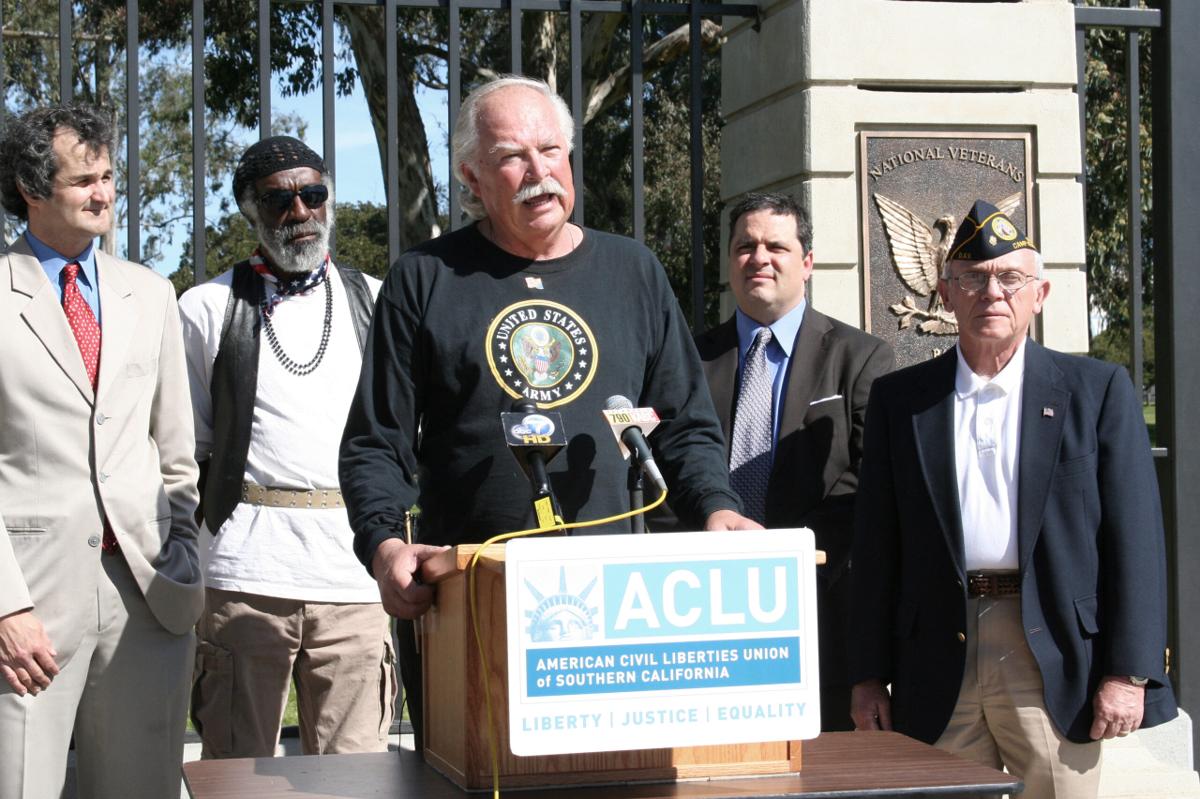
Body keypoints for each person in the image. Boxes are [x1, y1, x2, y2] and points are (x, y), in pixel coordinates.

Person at [339, 75, 758, 747]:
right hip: (472, 604)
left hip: (616, 612)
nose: (538, 172)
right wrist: (384, 543)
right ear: (473, 176)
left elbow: (684, 423)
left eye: (550, 150)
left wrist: (715, 504)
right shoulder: (424, 279)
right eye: (513, 156)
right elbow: (376, 441)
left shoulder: (634, 271)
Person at [848, 200, 1177, 798]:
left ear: (1040, 293)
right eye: (972, 279)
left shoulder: (1095, 392)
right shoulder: (902, 401)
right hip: (934, 656)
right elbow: (876, 547)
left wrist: (1130, 672)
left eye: (1009, 278)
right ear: (946, 294)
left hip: (1049, 650)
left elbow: (1135, 540)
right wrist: (867, 675)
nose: (991, 292)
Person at [0, 103, 203, 798]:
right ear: (31, 189)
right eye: (84, 179)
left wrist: (182, 558)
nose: (105, 193)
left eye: (110, 176)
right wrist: (4, 607)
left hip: (148, 599)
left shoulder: (150, 293)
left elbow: (177, 452)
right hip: (29, 608)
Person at [179, 136, 394, 758]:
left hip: (356, 580)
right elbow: (186, 447)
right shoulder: (206, 307)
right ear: (250, 210)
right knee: (238, 777)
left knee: (356, 781)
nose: (299, 211)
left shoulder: (377, 301)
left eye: (313, 194)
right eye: (278, 200)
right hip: (243, 579)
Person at [694, 193, 892, 731]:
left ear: (806, 262)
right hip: (708, 614)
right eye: (745, 246)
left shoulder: (860, 357)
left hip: (820, 614)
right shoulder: (691, 359)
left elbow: (875, 497)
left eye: (776, 246)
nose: (760, 258)